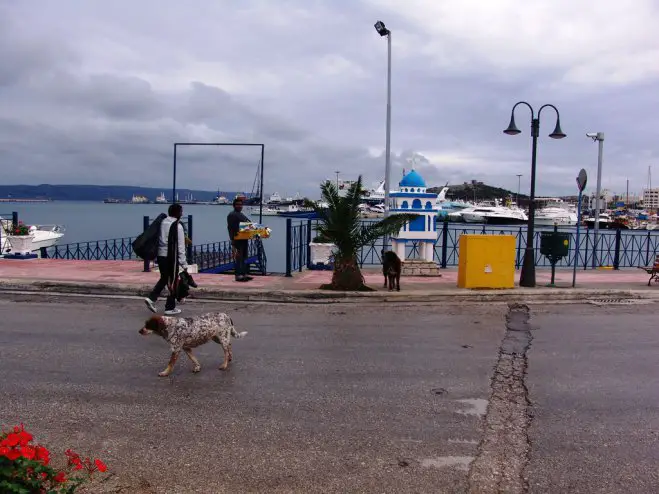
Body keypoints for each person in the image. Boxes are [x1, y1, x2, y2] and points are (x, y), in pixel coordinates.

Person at [144, 203, 189, 315]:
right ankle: (167, 306)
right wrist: (184, 263)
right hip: (171, 257)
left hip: (160, 255)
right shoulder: (177, 226)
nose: (182, 214)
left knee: (165, 278)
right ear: (177, 213)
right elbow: (180, 246)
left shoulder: (162, 222)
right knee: (172, 281)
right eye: (181, 212)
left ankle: (156, 299)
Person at [227, 197, 253, 282]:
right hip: (237, 238)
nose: (239, 206)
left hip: (244, 238)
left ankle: (244, 273)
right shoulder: (232, 214)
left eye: (241, 205)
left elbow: (248, 224)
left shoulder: (241, 214)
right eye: (237, 204)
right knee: (238, 257)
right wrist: (232, 240)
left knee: (244, 257)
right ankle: (238, 275)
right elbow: (230, 228)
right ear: (234, 205)